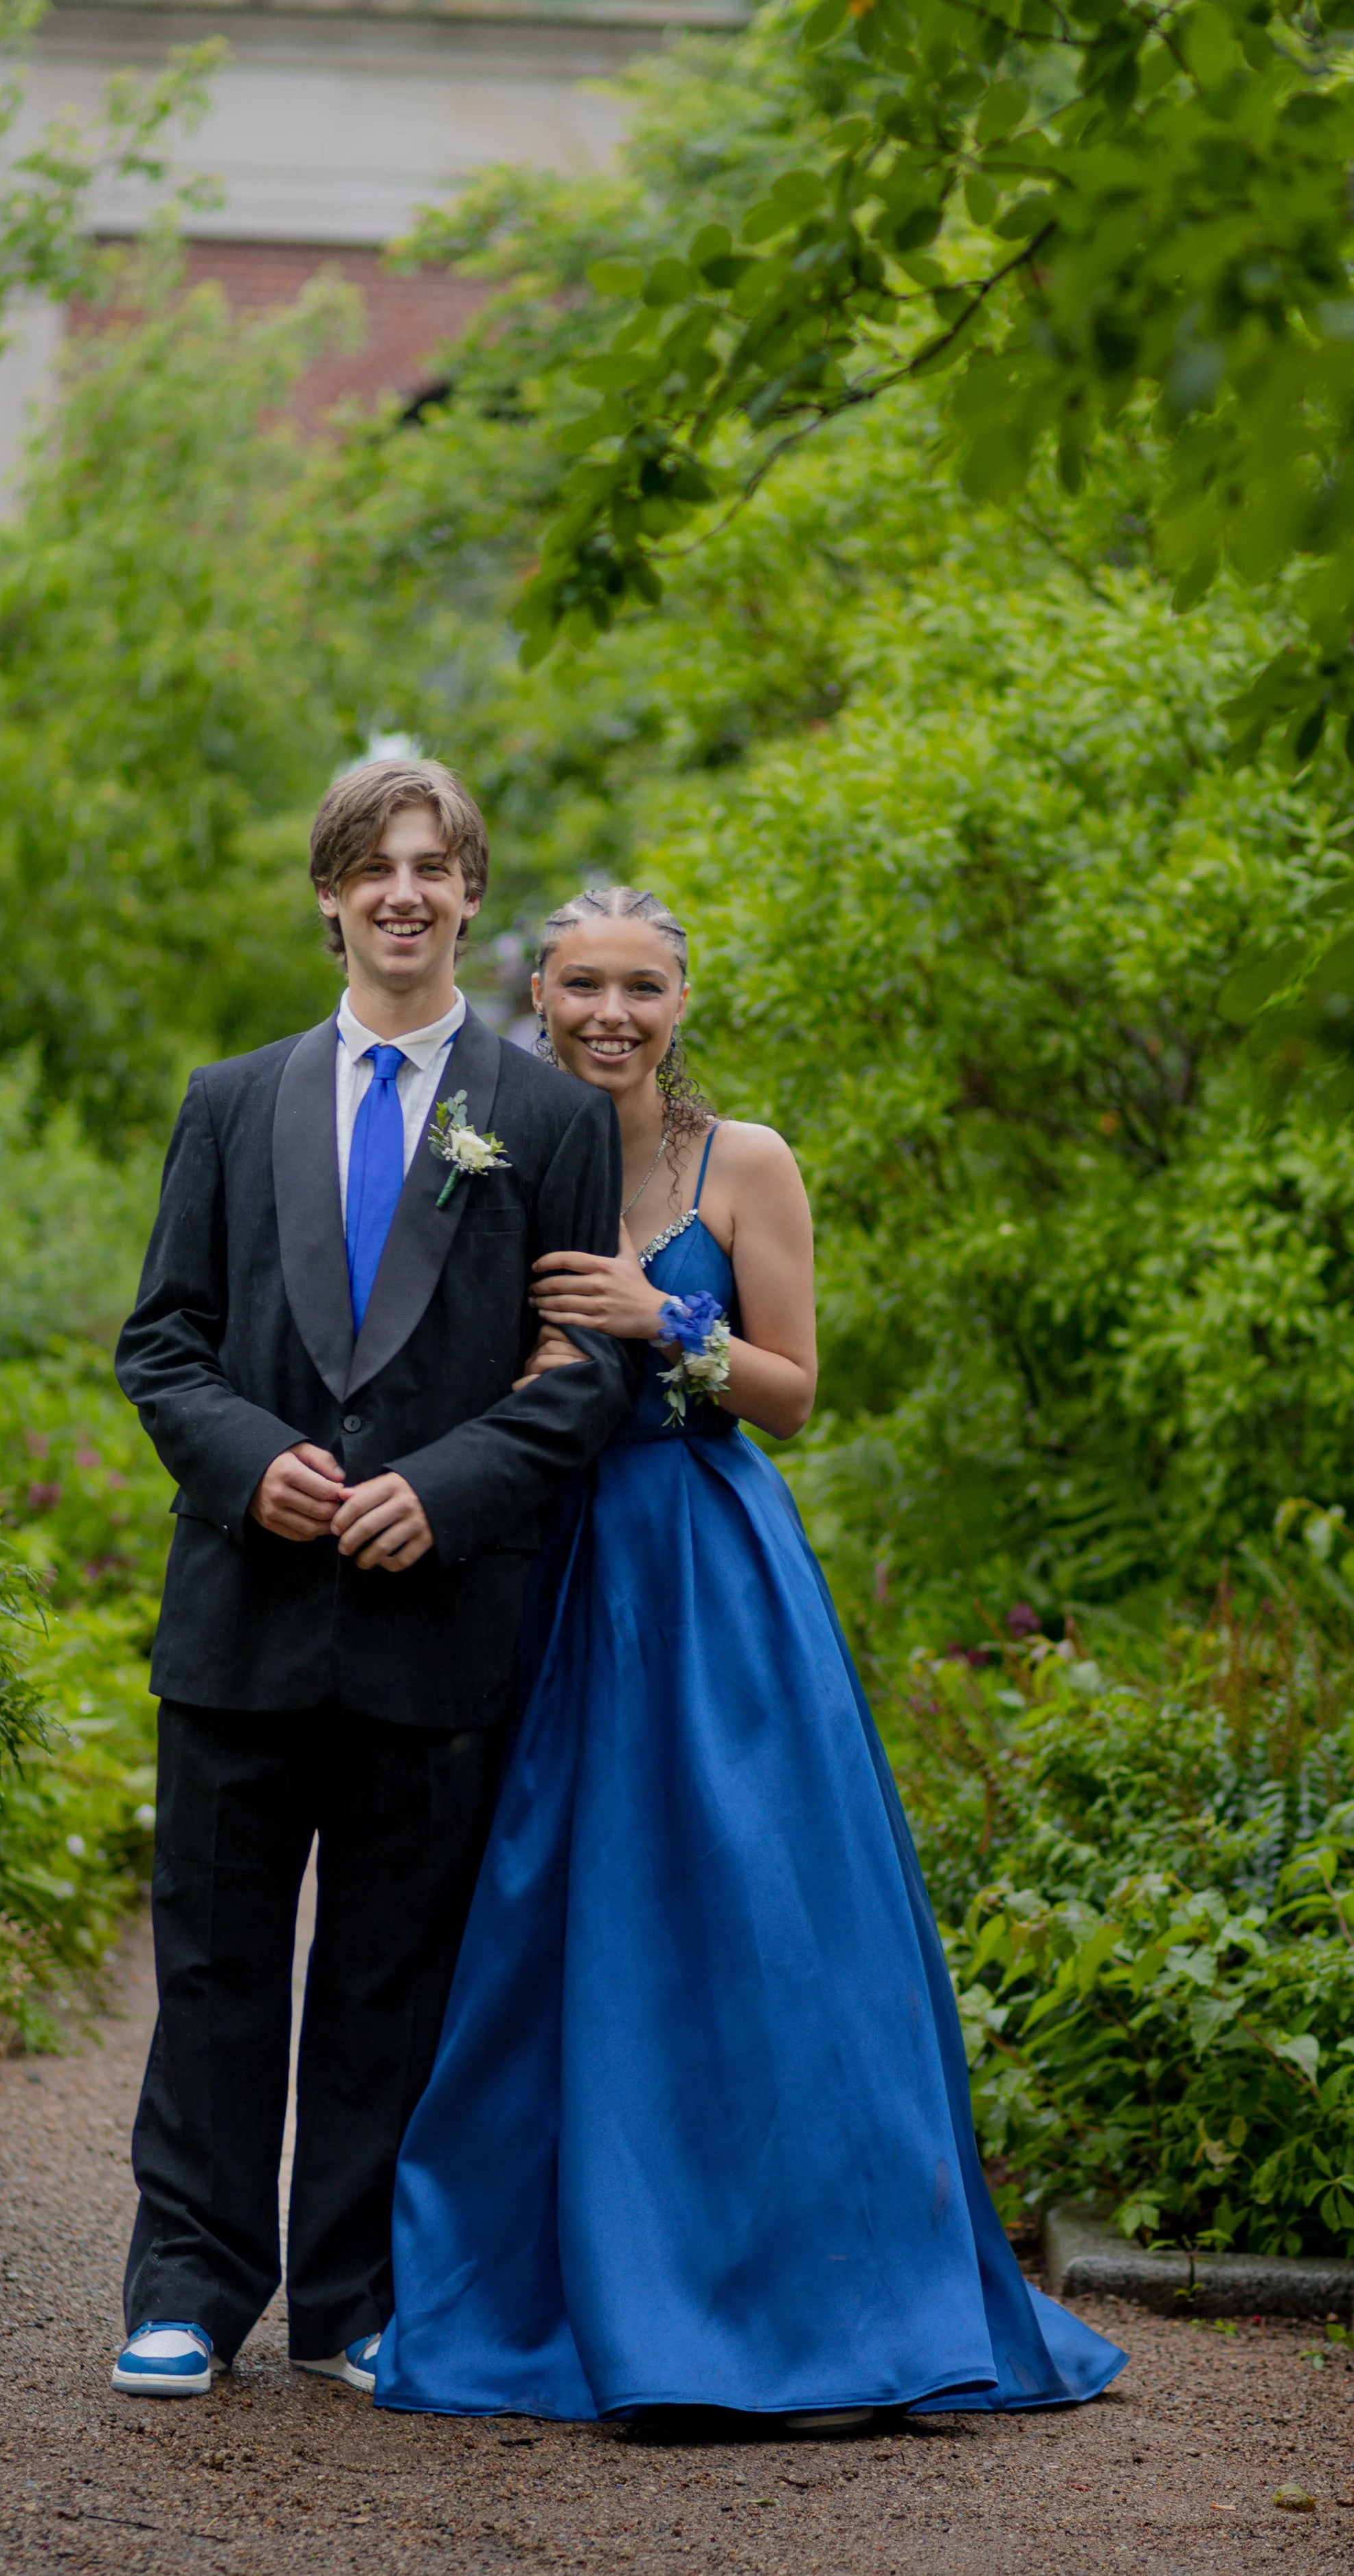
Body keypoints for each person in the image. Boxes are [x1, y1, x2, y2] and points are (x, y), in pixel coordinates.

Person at [376, 887, 1126, 2424]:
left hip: (700, 1571)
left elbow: (789, 1393)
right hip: (532, 1564)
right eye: (578, 985)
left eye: (638, 987)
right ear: (537, 994)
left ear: (679, 1001)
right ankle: (530, 2276)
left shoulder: (745, 1162)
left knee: (748, 1911)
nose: (607, 1014)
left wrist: (666, 1323)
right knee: (531, 1922)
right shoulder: (488, 1144)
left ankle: (787, 2281)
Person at [108, 766, 637, 2399]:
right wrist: (242, 1460)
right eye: (371, 868)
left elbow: (578, 1375)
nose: (402, 894)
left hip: (433, 1626)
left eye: (433, 868)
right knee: (211, 1964)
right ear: (328, 896)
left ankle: (352, 2296)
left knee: (387, 1979)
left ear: (473, 899)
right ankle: (188, 2286)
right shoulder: (228, 1099)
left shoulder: (543, 1121)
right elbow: (162, 1343)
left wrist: (447, 1486)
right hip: (240, 1620)